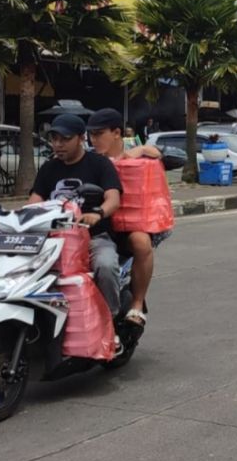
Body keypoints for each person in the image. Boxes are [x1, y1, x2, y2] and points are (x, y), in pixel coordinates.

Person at [29, 114, 123, 327]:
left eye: (65, 139)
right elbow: (34, 202)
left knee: (106, 266)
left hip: (93, 238)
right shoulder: (48, 168)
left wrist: (97, 213)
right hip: (52, 240)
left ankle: (111, 322)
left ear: (81, 138)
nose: (58, 145)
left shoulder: (99, 164)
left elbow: (113, 198)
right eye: (54, 139)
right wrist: (10, 218)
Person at [86, 109, 170, 329]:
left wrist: (141, 149)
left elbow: (157, 153)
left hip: (127, 225)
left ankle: (137, 302)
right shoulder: (87, 159)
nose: (94, 140)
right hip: (91, 224)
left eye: (99, 134)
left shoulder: (136, 155)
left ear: (116, 133)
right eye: (91, 135)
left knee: (141, 243)